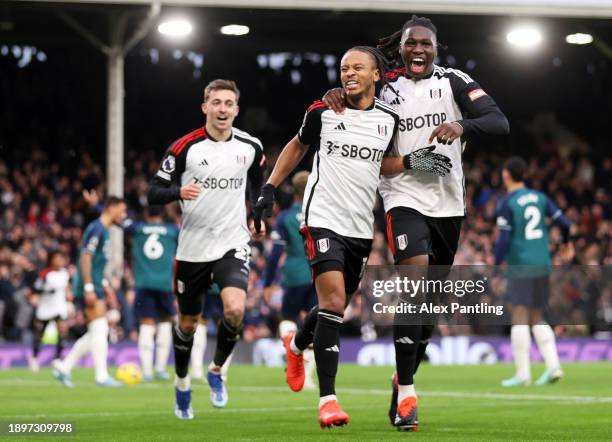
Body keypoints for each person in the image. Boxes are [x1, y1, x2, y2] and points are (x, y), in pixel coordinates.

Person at [324, 15, 510, 431]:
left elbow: (499, 121)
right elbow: (354, 107)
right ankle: (408, 395)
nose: (418, 50)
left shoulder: (454, 81)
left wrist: (462, 124)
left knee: (428, 307)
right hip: (401, 196)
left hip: (448, 203)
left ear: (436, 48)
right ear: (402, 48)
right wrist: (338, 92)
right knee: (414, 282)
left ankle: (400, 378)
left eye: (425, 44)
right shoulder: (384, 86)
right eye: (411, 44)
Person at [254, 46, 412, 429]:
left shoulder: (389, 120)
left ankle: (294, 346)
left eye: (358, 67)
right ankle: (328, 401)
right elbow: (298, 145)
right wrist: (269, 188)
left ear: (377, 75)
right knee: (334, 301)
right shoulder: (323, 111)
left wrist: (414, 161)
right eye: (343, 68)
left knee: (333, 307)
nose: (348, 73)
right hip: (322, 217)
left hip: (360, 227)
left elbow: (385, 163)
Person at [147, 79, 265, 419]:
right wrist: (177, 193)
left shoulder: (250, 146)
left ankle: (216, 370)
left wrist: (258, 213)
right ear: (205, 108)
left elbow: (259, 182)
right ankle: (182, 382)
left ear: (236, 109)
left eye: (229, 103)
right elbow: (153, 193)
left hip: (232, 242)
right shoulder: (185, 148)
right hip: (193, 249)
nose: (223, 109)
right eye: (216, 103)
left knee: (235, 310)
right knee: (188, 322)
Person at [495, 156, 573, 386]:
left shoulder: (507, 203)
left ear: (506, 175)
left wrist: (496, 264)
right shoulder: (541, 198)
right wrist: (566, 244)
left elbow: (504, 239)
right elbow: (566, 225)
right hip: (542, 264)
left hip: (520, 264)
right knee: (536, 316)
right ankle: (553, 366)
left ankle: (523, 374)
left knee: (519, 316)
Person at [53, 196, 127, 387]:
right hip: (88, 286)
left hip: (94, 284)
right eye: (122, 210)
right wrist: (88, 287)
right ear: (112, 208)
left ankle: (64, 366)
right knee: (100, 328)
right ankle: (101, 376)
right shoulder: (97, 228)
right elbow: (86, 257)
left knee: (97, 330)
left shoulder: (105, 229)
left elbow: (96, 263)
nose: (124, 215)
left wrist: (101, 283)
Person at [262, 171, 317, 390]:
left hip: (294, 275)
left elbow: (276, 254)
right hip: (316, 274)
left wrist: (267, 283)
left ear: (293, 190)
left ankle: (293, 352)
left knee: (288, 317)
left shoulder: (285, 217)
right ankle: (309, 378)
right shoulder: (318, 213)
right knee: (314, 322)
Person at [126, 206, 178, 381]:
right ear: (161, 214)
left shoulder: (138, 229)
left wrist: (96, 205)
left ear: (146, 214)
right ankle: (161, 369)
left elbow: (117, 221)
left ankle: (147, 371)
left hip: (144, 283)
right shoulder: (172, 231)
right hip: (164, 284)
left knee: (146, 325)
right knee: (165, 323)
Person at [29, 250, 71, 372]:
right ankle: (34, 358)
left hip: (59, 307)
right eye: (57, 258)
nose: (60, 261)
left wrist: (68, 297)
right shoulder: (45, 274)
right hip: (45, 308)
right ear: (51, 260)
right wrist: (42, 291)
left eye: (61, 258)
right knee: (39, 334)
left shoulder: (65, 273)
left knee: (62, 331)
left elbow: (66, 287)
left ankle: (57, 359)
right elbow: (36, 288)